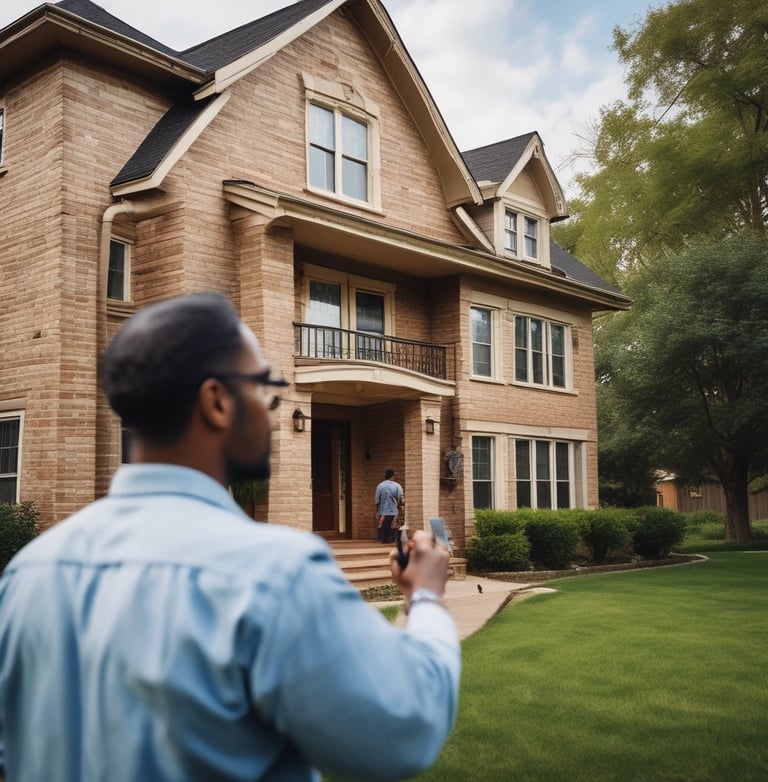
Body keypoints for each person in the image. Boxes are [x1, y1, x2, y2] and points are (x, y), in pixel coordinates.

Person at [0, 292, 460, 782]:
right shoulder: (275, 574)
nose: (272, 410)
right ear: (218, 402)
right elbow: (404, 732)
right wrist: (426, 596)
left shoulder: (27, 573)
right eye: (263, 389)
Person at [375, 468, 404, 544]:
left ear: (385, 476)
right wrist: (401, 509)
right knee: (394, 528)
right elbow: (401, 500)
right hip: (395, 512)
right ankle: (393, 541)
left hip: (383, 512)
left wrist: (377, 512)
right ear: (393, 476)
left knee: (384, 529)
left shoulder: (380, 486)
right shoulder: (397, 486)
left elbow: (377, 501)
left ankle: (384, 541)